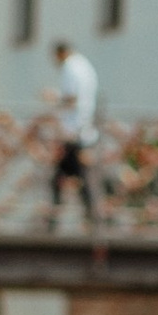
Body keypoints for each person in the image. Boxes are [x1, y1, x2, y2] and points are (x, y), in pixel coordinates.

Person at [44, 37, 102, 216]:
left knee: (72, 177)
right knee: (77, 177)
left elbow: (71, 98)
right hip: (83, 129)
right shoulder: (84, 66)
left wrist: (53, 98)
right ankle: (92, 218)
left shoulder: (71, 67)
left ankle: (60, 218)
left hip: (74, 132)